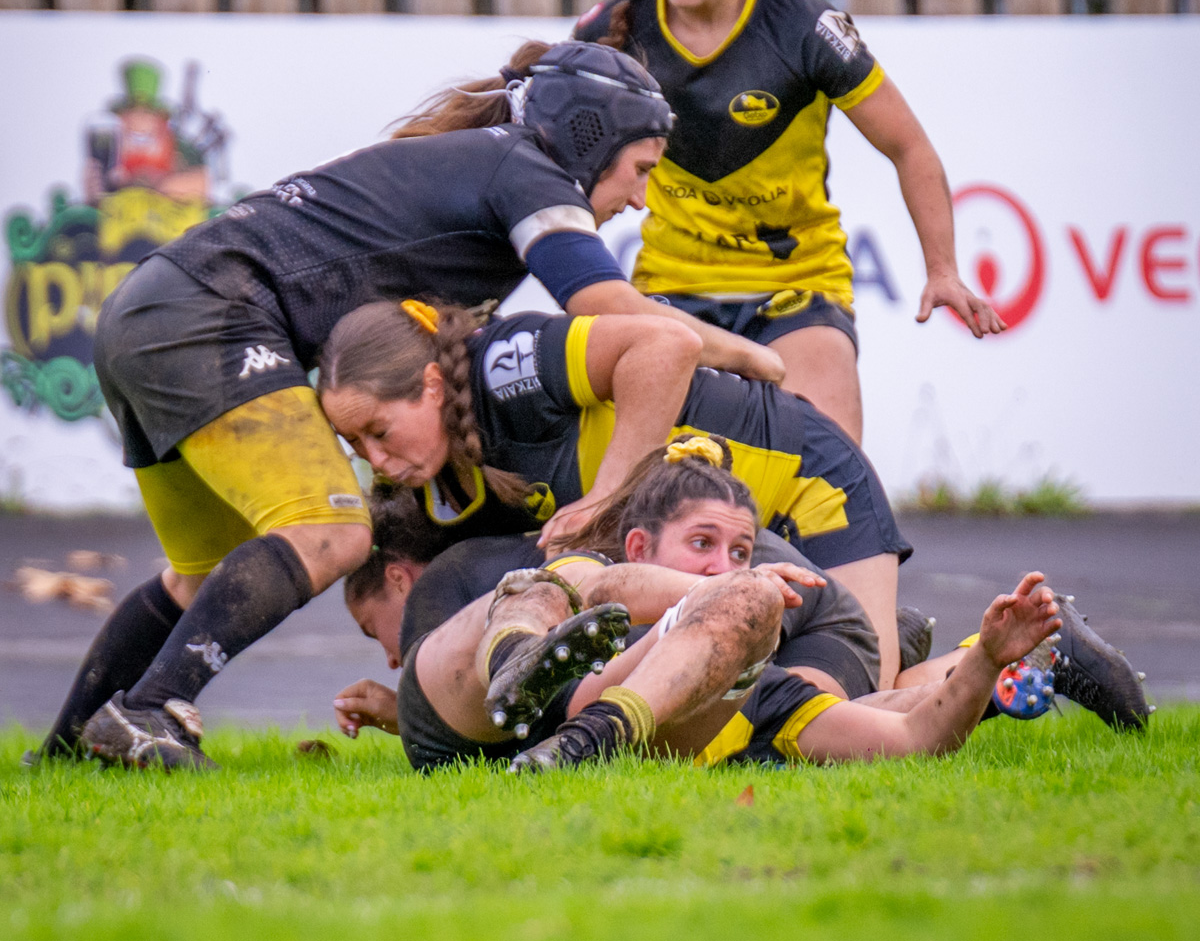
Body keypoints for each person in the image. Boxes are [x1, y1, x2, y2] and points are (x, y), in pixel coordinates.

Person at [40, 41, 779, 772]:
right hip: (207, 317)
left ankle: (73, 746)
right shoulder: (527, 168)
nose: (641, 197)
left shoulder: (483, 162)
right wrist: (750, 354)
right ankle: (152, 708)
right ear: (593, 139)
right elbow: (611, 308)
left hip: (144, 310)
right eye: (641, 169)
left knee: (199, 578)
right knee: (331, 532)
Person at [573, 0, 1005, 452]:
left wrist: (942, 269)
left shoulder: (804, 29)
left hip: (796, 285)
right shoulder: (611, 32)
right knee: (650, 485)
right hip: (669, 287)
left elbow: (909, 147)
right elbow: (547, 163)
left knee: (832, 475)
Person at [332, 448, 1139, 775]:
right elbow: (593, 590)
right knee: (582, 586)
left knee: (833, 682)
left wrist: (989, 658)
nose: (723, 562)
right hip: (615, 630)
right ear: (643, 542)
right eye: (704, 545)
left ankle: (977, 659)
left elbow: (910, 739)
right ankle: (974, 658)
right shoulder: (603, 574)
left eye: (737, 548)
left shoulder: (756, 620)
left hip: (808, 620)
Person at [317, 297, 914, 684]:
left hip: (808, 480)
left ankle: (937, 654)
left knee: (863, 703)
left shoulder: (502, 365)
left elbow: (667, 345)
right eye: (355, 444)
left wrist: (607, 495)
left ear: (430, 385)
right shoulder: (435, 486)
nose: (375, 460)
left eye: (379, 431)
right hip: (725, 533)